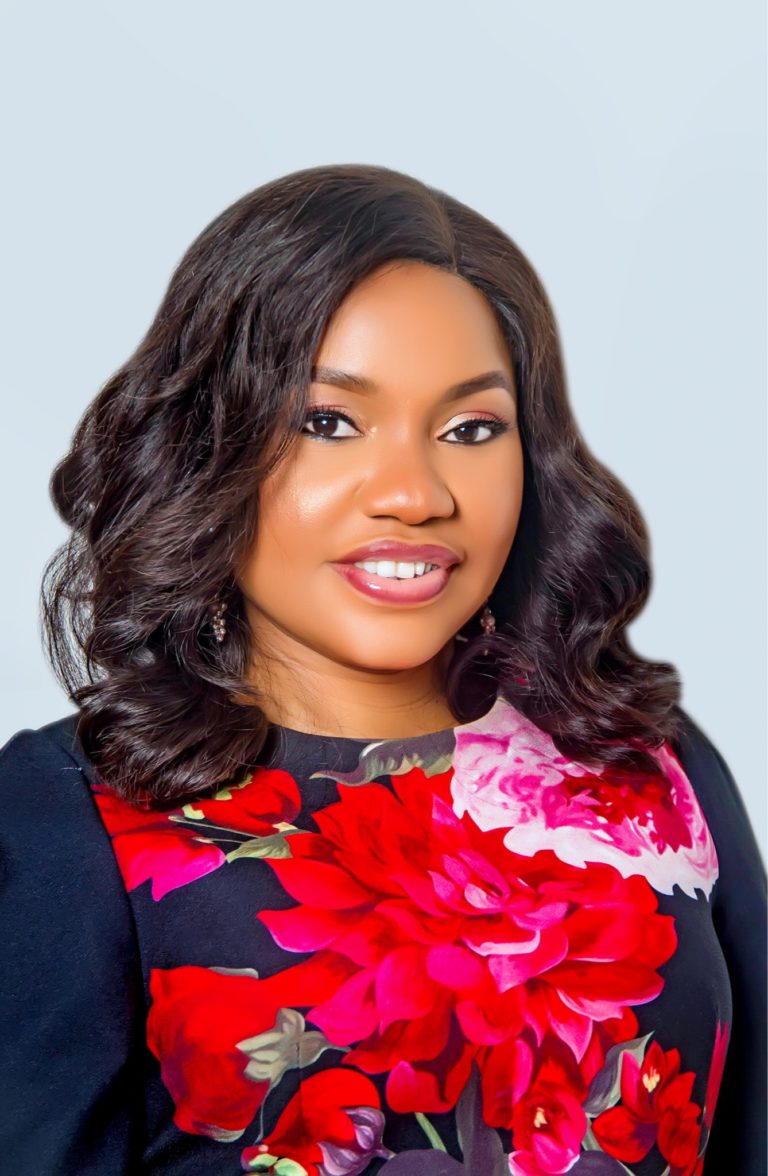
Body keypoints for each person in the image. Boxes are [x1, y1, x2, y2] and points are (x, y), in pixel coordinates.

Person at [1, 163, 764, 1176]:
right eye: (328, 422)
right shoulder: (71, 823)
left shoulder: (647, 766)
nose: (413, 493)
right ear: (208, 445)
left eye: (471, 428)